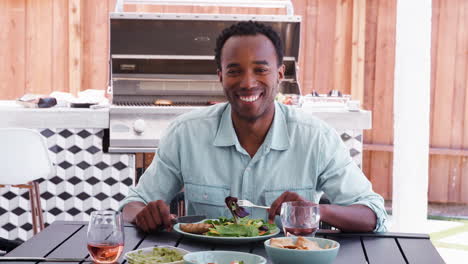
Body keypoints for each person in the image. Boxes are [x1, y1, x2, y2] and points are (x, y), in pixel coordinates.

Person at [121, 21, 387, 233]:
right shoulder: (185, 134)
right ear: (220, 76)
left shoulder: (316, 138)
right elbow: (131, 205)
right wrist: (145, 214)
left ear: (280, 74)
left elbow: (373, 214)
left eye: (260, 70)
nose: (248, 83)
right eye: (235, 71)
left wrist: (316, 211)